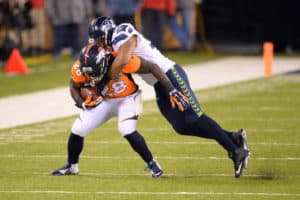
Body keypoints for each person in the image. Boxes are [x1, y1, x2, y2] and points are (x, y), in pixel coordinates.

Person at [88, 17, 251, 178]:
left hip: (170, 75)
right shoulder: (111, 48)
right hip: (158, 83)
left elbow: (122, 61)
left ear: (107, 33)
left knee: (196, 116)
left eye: (100, 40)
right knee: (181, 126)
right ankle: (233, 137)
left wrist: (104, 78)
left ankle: (236, 151)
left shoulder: (122, 33)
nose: (99, 44)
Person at [50, 44, 189, 178]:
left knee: (126, 129)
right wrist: (82, 103)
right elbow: (74, 86)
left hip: (128, 98)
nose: (90, 75)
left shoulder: (121, 60)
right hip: (104, 100)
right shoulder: (81, 68)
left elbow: (152, 67)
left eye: (93, 70)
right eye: (87, 72)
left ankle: (152, 163)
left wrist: (172, 90)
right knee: (78, 129)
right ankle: (72, 166)